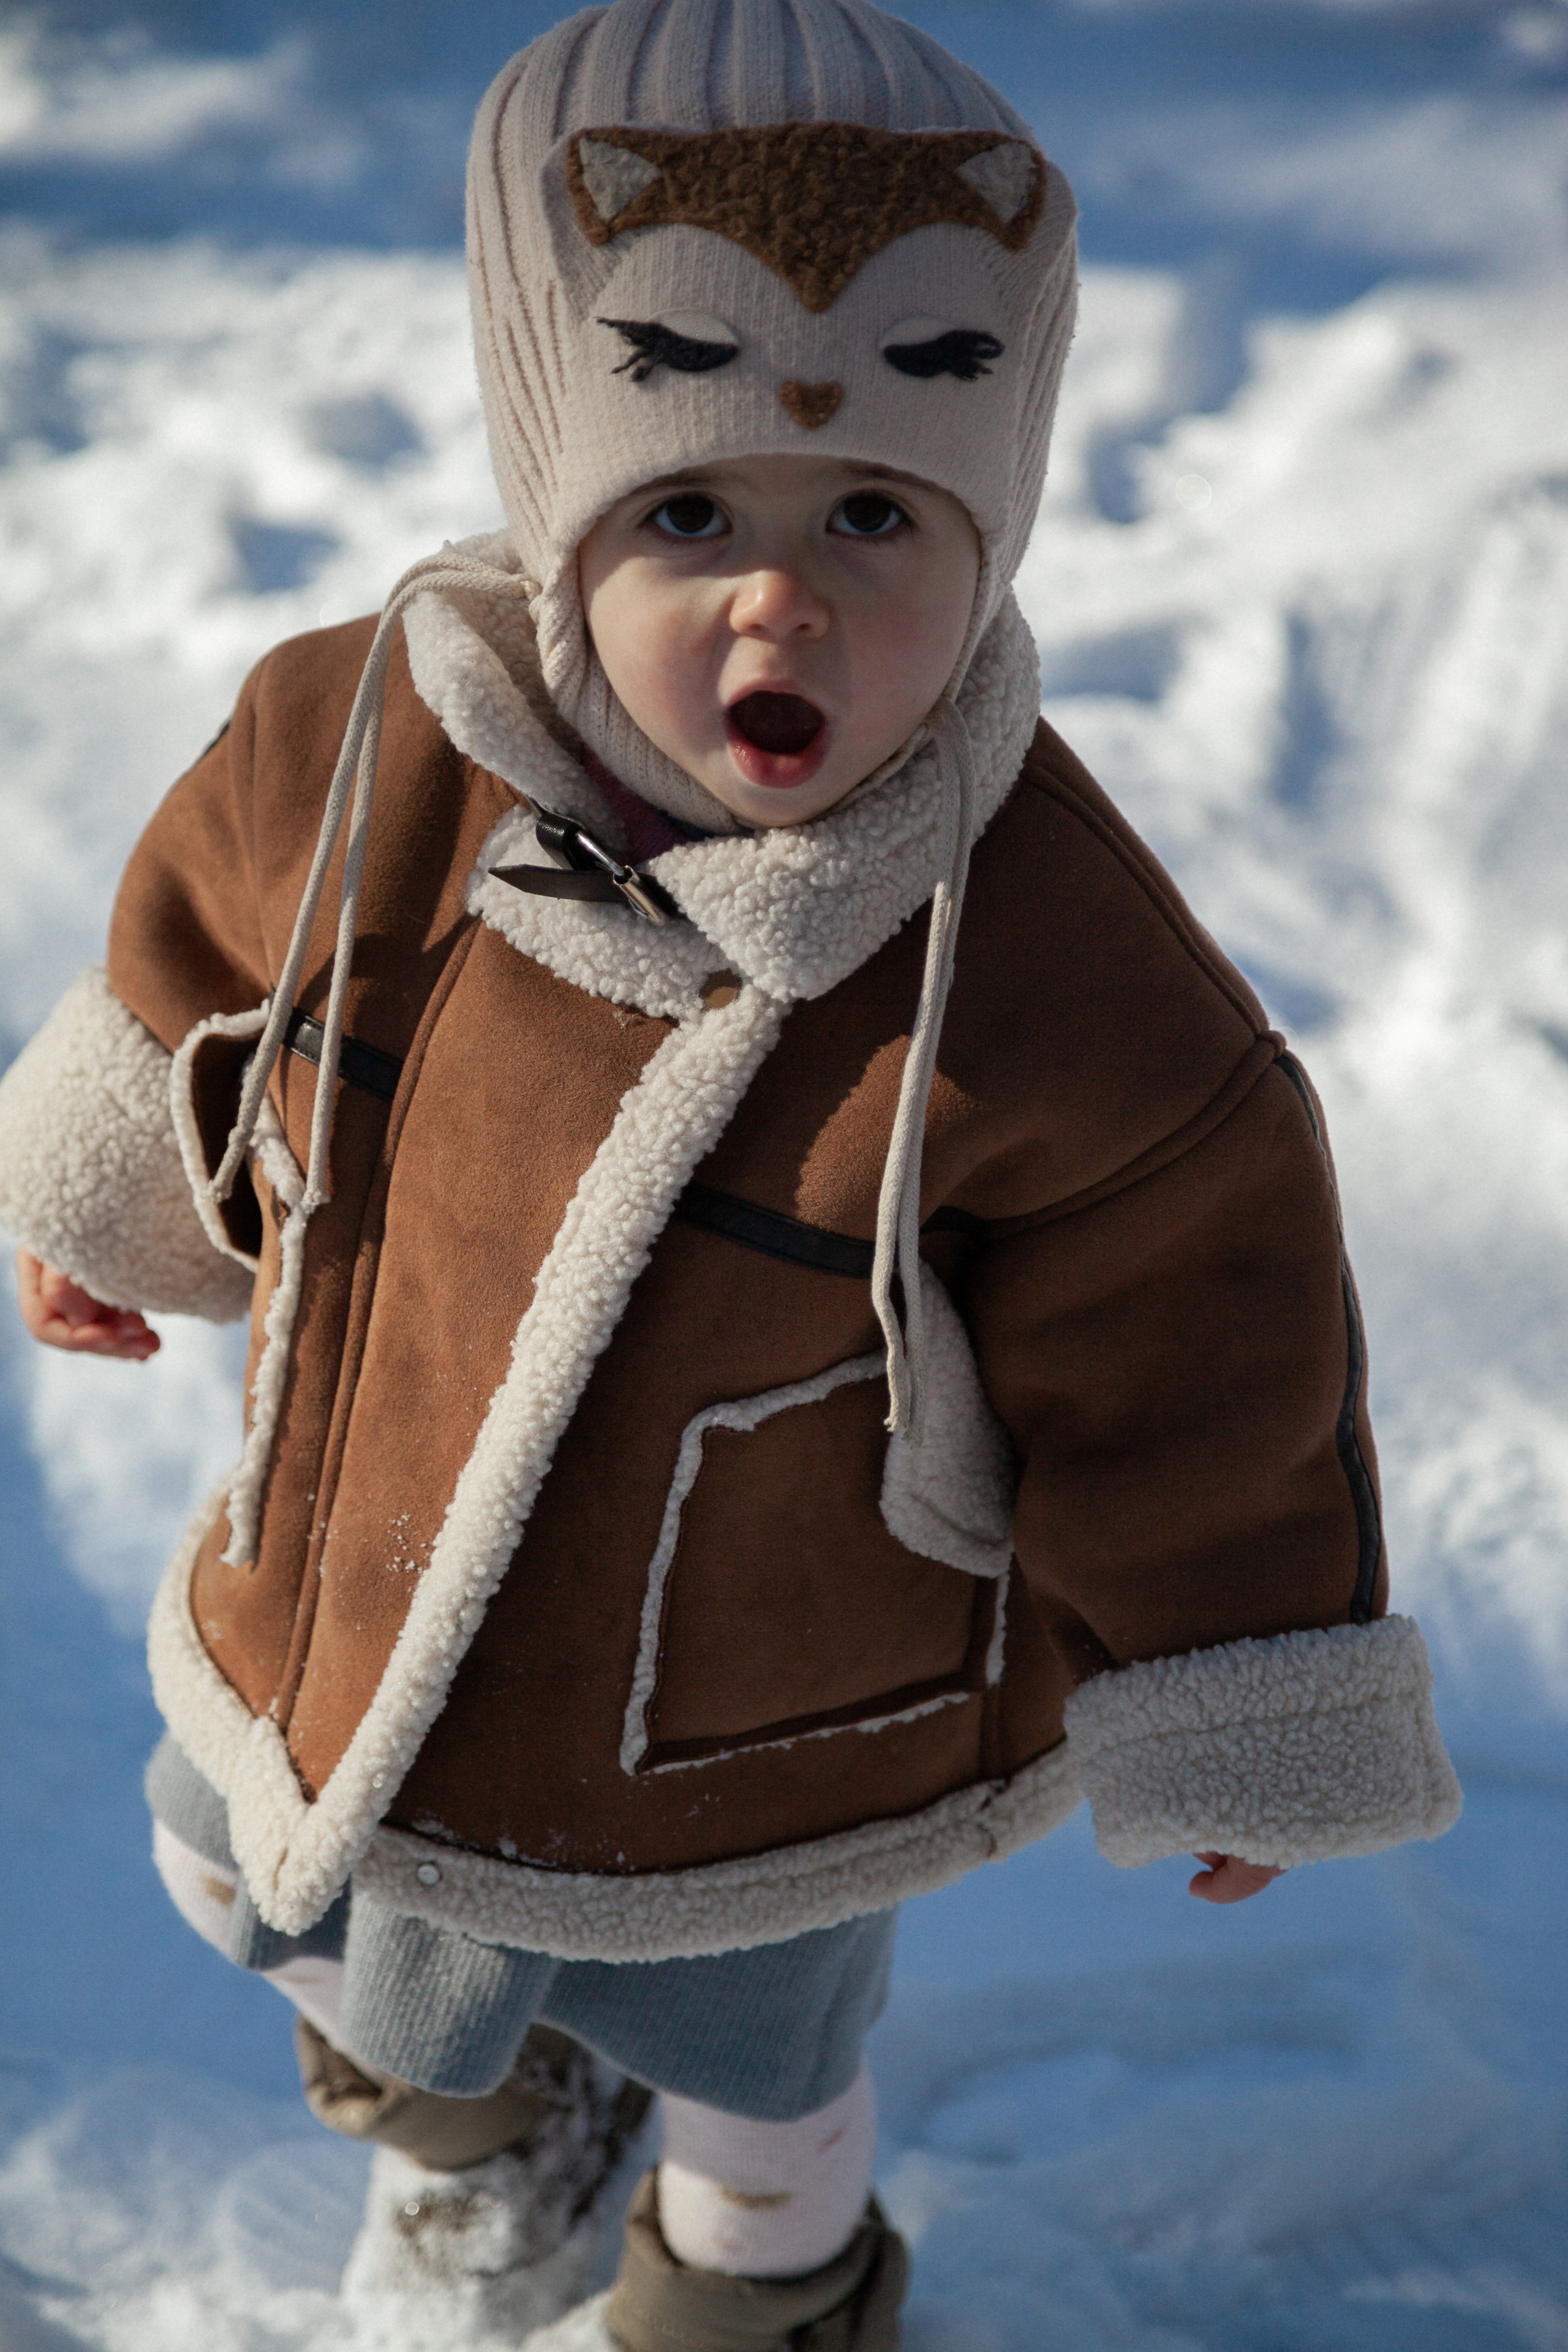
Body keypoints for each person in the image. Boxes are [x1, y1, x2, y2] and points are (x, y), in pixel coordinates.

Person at [0, 3, 1463, 2346]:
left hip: (768, 1697)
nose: (783, 602)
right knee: (280, 1894)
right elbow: (199, 954)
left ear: (987, 532)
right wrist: (111, 1199)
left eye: (876, 516)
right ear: (559, 510)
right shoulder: (365, 731)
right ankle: (485, 2137)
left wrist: (1233, 1681)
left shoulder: (1053, 970)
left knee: (763, 2075)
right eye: (688, 514)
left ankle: (759, 2292)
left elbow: (1205, 1352)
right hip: (347, 1593)